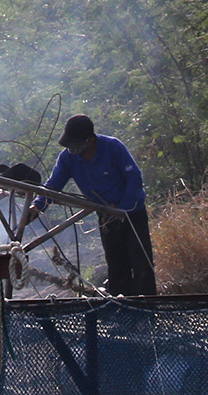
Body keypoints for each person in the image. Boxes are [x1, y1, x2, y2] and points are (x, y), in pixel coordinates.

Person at [30, 114, 157, 296]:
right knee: (116, 264)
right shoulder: (67, 158)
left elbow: (134, 177)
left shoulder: (113, 147)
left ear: (89, 140)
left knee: (141, 263)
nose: (70, 148)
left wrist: (122, 208)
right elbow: (53, 185)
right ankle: (122, 309)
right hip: (106, 216)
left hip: (131, 213)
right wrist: (38, 205)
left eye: (74, 144)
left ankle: (148, 309)